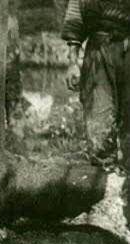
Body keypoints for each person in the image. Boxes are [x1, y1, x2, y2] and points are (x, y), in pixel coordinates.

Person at [62, 0, 130, 227]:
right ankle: (103, 206)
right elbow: (75, 21)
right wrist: (73, 63)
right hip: (98, 52)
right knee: (99, 125)